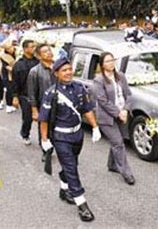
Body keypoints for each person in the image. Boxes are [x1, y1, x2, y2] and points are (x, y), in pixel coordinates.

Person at [39, 57, 101, 222]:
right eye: (64, 71)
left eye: (69, 69)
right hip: (61, 137)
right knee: (72, 168)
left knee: (72, 164)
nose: (68, 73)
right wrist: (45, 139)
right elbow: (43, 119)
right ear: (57, 74)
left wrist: (95, 127)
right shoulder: (51, 93)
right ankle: (82, 205)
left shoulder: (79, 88)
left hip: (77, 134)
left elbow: (87, 109)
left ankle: (64, 188)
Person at [93, 52, 135, 185]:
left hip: (122, 113)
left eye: (112, 60)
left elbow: (128, 94)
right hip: (107, 117)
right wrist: (118, 113)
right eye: (107, 61)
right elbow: (103, 101)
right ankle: (126, 173)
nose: (111, 63)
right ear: (102, 64)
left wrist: (125, 110)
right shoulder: (99, 80)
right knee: (118, 143)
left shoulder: (120, 76)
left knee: (118, 141)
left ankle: (112, 164)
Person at [28, 44, 56, 158]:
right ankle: (46, 151)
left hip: (59, 103)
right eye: (45, 51)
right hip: (44, 105)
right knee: (44, 129)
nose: (48, 53)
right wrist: (34, 110)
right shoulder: (35, 71)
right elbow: (32, 92)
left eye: (49, 50)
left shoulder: (58, 67)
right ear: (39, 56)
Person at [11, 40, 39, 145]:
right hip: (25, 95)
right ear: (25, 49)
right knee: (28, 118)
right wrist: (15, 96)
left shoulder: (38, 62)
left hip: (38, 94)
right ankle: (25, 134)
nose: (34, 49)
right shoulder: (19, 65)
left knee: (43, 118)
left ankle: (44, 140)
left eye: (34, 46)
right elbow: (14, 82)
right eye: (32, 46)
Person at [0, 38, 17, 113]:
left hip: (16, 72)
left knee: (15, 88)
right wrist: (14, 69)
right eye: (9, 48)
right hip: (7, 74)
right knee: (9, 89)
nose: (11, 49)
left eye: (11, 47)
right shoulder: (2, 55)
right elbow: (5, 66)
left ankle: (14, 103)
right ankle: (8, 105)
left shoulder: (17, 51)